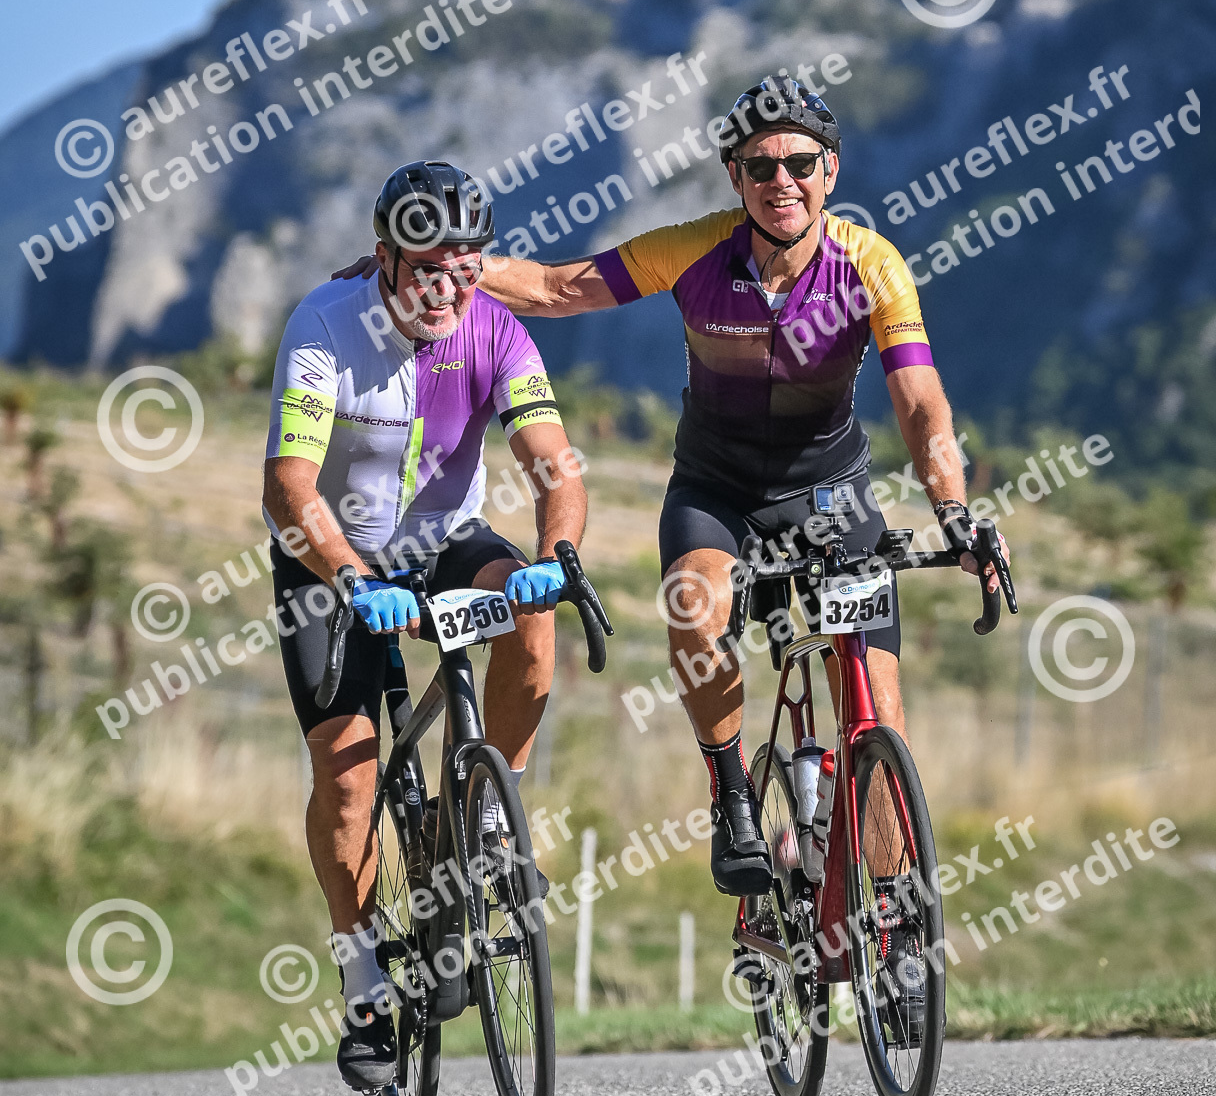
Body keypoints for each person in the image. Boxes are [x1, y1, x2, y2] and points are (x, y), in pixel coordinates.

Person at [336, 82, 1004, 1002]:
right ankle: (733, 795)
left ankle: (889, 924)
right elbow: (561, 287)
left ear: (830, 171)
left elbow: (920, 400)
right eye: (760, 165)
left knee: (879, 717)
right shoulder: (696, 249)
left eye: (800, 163)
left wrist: (954, 508)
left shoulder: (871, 265)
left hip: (832, 493)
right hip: (717, 492)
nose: (781, 180)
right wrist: (432, 267)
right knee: (695, 604)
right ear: (735, 176)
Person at [262, 161, 586, 1094]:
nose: (447, 287)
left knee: (530, 605)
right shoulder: (325, 326)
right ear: (384, 258)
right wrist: (352, 580)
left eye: (465, 265)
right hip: (331, 557)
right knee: (348, 782)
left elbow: (555, 464)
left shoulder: (497, 330)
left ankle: (484, 817)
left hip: (444, 540)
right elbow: (288, 486)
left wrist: (557, 554)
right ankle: (364, 980)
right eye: (426, 268)